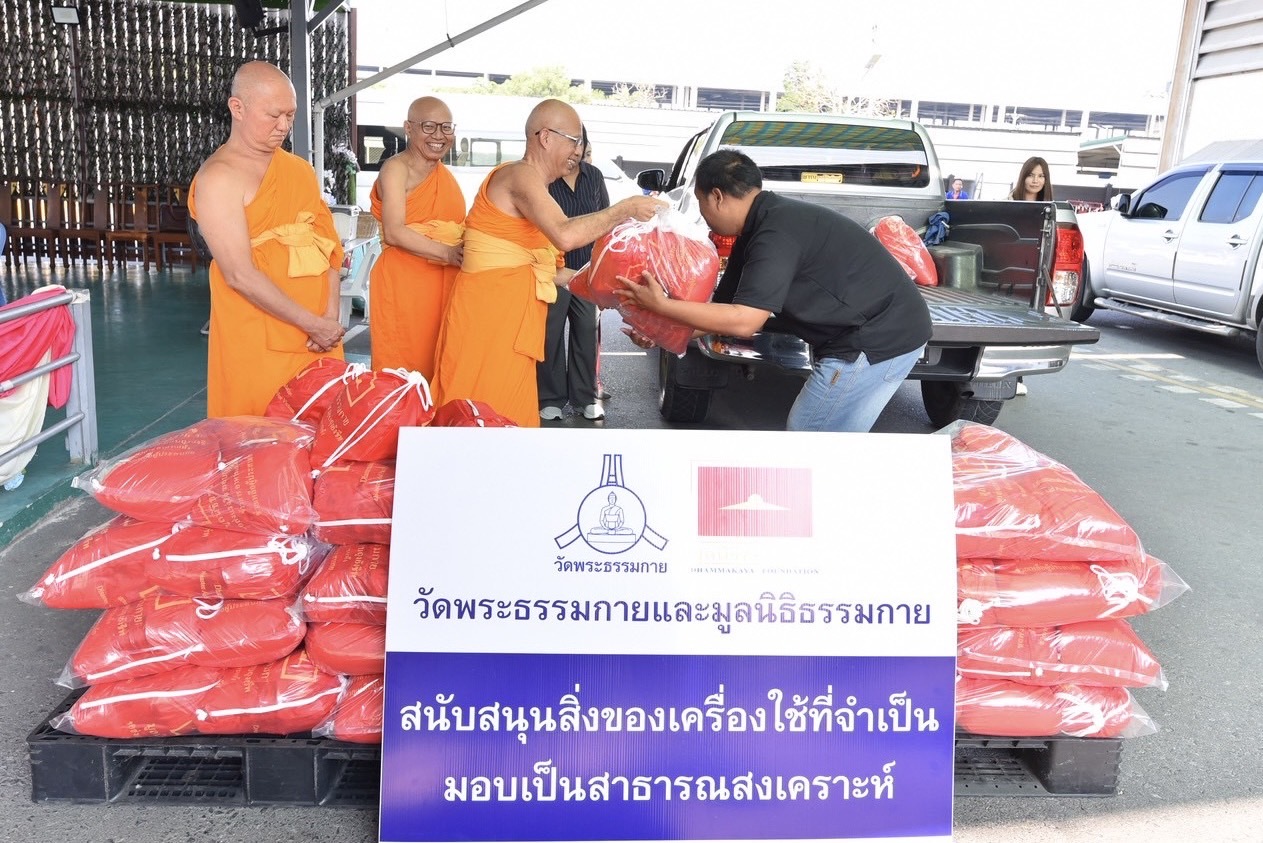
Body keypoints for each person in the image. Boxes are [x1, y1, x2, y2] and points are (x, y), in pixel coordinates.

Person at [615, 149, 931, 434]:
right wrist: (661, 331)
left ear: (717, 197)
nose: (703, 212)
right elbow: (721, 315)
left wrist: (661, 306)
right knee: (826, 440)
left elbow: (744, 321)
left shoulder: (775, 232)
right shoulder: (757, 229)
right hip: (871, 329)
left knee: (810, 431)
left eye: (700, 201)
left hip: (881, 334)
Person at [431, 98, 664, 428]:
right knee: (476, 417)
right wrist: (625, 209)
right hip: (487, 322)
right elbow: (565, 235)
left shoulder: (537, 185)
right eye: (574, 141)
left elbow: (551, 271)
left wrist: (621, 296)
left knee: (506, 421)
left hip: (511, 324)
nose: (578, 151)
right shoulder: (518, 175)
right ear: (545, 137)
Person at [189, 61, 345, 418]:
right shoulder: (219, 178)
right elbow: (239, 275)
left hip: (320, 338)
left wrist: (329, 317)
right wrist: (312, 324)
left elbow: (329, 246)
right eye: (274, 115)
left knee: (321, 430)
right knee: (260, 431)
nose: (284, 126)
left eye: (290, 115)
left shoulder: (298, 169)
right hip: (258, 337)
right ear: (237, 108)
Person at [368, 96, 465, 378]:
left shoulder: (444, 175)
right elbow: (394, 231)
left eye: (446, 127)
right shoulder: (396, 169)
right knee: (404, 369)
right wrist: (448, 253)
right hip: (404, 283)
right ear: (408, 128)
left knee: (442, 364)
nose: (439, 136)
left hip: (446, 283)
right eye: (429, 126)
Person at [539, 128, 609, 422]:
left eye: (581, 143)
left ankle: (585, 398)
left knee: (586, 332)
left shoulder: (594, 176)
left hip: (585, 271)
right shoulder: (544, 178)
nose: (576, 150)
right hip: (552, 270)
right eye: (571, 142)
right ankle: (550, 397)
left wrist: (604, 270)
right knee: (550, 335)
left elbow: (605, 220)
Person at [1008, 156, 1055, 396]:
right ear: (1023, 176)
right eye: (1031, 175)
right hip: (1011, 270)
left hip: (1037, 274)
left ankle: (1018, 376)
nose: (1035, 180)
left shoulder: (1050, 208)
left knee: (1026, 326)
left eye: (1041, 176)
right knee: (1010, 323)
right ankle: (1009, 376)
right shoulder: (1010, 202)